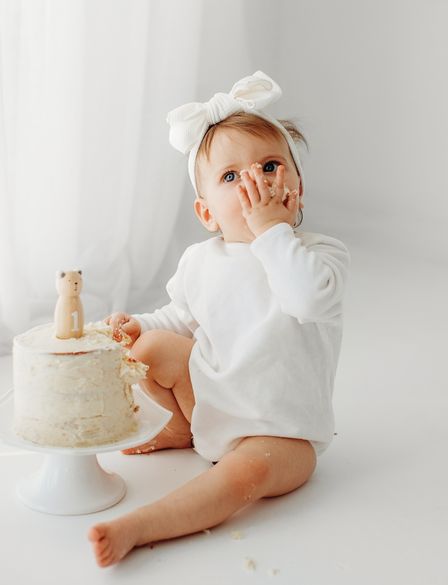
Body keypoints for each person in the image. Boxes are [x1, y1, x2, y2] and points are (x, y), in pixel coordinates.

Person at [88, 71, 350, 567]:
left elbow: (308, 301)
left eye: (270, 166)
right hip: (211, 401)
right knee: (147, 351)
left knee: (241, 477)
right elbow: (181, 319)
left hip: (279, 432)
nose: (255, 182)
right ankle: (181, 429)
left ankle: (142, 526)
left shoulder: (317, 255)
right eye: (231, 177)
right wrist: (139, 325)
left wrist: (272, 233)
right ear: (207, 213)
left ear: (298, 187)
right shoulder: (201, 260)